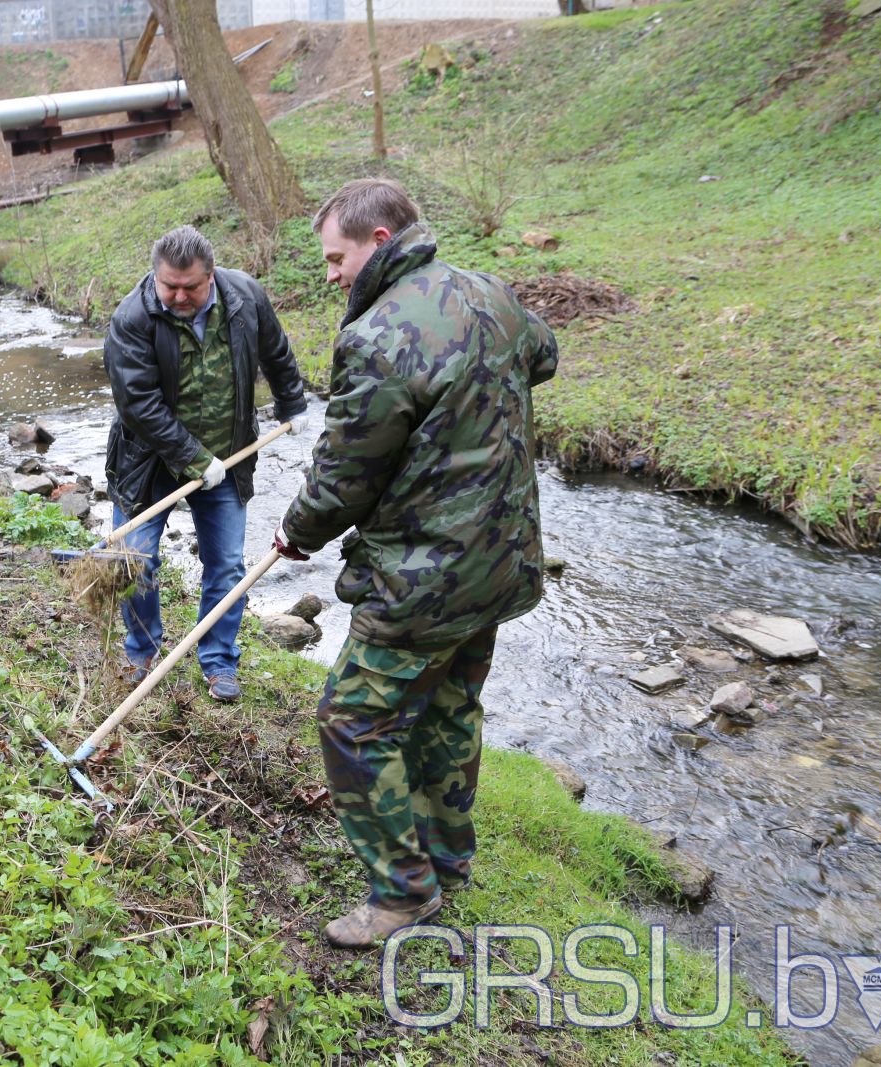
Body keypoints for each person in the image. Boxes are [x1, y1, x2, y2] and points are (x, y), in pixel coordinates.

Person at [271, 178, 558, 948]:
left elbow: (344, 476)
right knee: (450, 707)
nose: (330, 275)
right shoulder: (489, 292)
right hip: (501, 560)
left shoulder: (378, 336)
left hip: (426, 579)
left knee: (353, 721)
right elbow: (545, 355)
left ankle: (403, 892)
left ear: (379, 241)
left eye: (336, 258)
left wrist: (296, 532)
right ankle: (449, 860)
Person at [103, 224, 309, 703]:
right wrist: (195, 459)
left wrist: (292, 404)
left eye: (189, 287)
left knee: (226, 567)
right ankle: (141, 652)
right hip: (148, 464)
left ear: (211, 275)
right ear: (156, 276)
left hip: (228, 457)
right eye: (168, 285)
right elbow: (139, 405)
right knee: (135, 562)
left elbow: (276, 351)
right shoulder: (132, 318)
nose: (177, 295)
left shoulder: (245, 298)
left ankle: (218, 661)